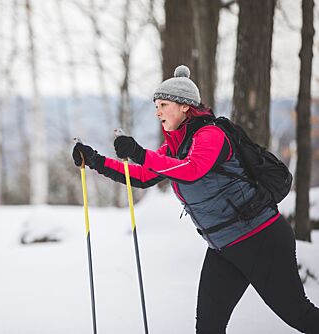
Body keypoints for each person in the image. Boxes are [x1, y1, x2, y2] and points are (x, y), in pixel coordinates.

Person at [71, 65, 319, 333]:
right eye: (156, 105)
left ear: (185, 107)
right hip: (223, 247)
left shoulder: (211, 135)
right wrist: (95, 160)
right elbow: (143, 176)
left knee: (298, 314)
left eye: (164, 104)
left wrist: (141, 153)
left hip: (260, 238)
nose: (158, 112)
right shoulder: (176, 145)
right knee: (208, 328)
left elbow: (192, 170)